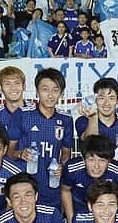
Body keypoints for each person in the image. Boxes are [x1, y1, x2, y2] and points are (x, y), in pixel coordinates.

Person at [7, 68, 73, 209]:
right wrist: (20, 153)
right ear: (37, 91)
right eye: (45, 89)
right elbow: (8, 151)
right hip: (25, 186)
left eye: (55, 90)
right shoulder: (22, 115)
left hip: (52, 186)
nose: (50, 95)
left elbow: (66, 152)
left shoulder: (66, 119)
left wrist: (62, 165)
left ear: (61, 93)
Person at [60, 135, 118, 223]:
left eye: (102, 161)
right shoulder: (72, 168)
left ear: (109, 161)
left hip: (108, 210)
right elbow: (65, 190)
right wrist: (72, 221)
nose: (96, 166)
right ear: (83, 159)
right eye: (91, 160)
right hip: (80, 206)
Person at [75, 77, 118, 165]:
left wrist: (114, 167)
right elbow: (90, 144)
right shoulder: (83, 121)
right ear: (95, 100)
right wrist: (93, 117)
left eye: (111, 98)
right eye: (102, 98)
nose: (106, 103)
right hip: (91, 174)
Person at [0, 66, 29, 131]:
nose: (13, 88)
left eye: (17, 83)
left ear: (24, 86)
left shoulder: (37, 112)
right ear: (0, 88)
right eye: (7, 84)